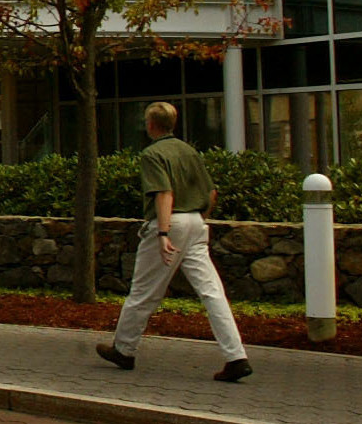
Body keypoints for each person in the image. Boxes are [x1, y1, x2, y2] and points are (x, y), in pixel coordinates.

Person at [96, 102, 251, 382]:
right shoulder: (189, 151)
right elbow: (212, 193)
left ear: (151, 125)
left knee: (143, 291)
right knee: (212, 293)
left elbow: (164, 193)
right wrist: (199, 220)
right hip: (196, 222)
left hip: (170, 222)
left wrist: (164, 233)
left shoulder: (152, 154)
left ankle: (124, 349)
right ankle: (236, 355)